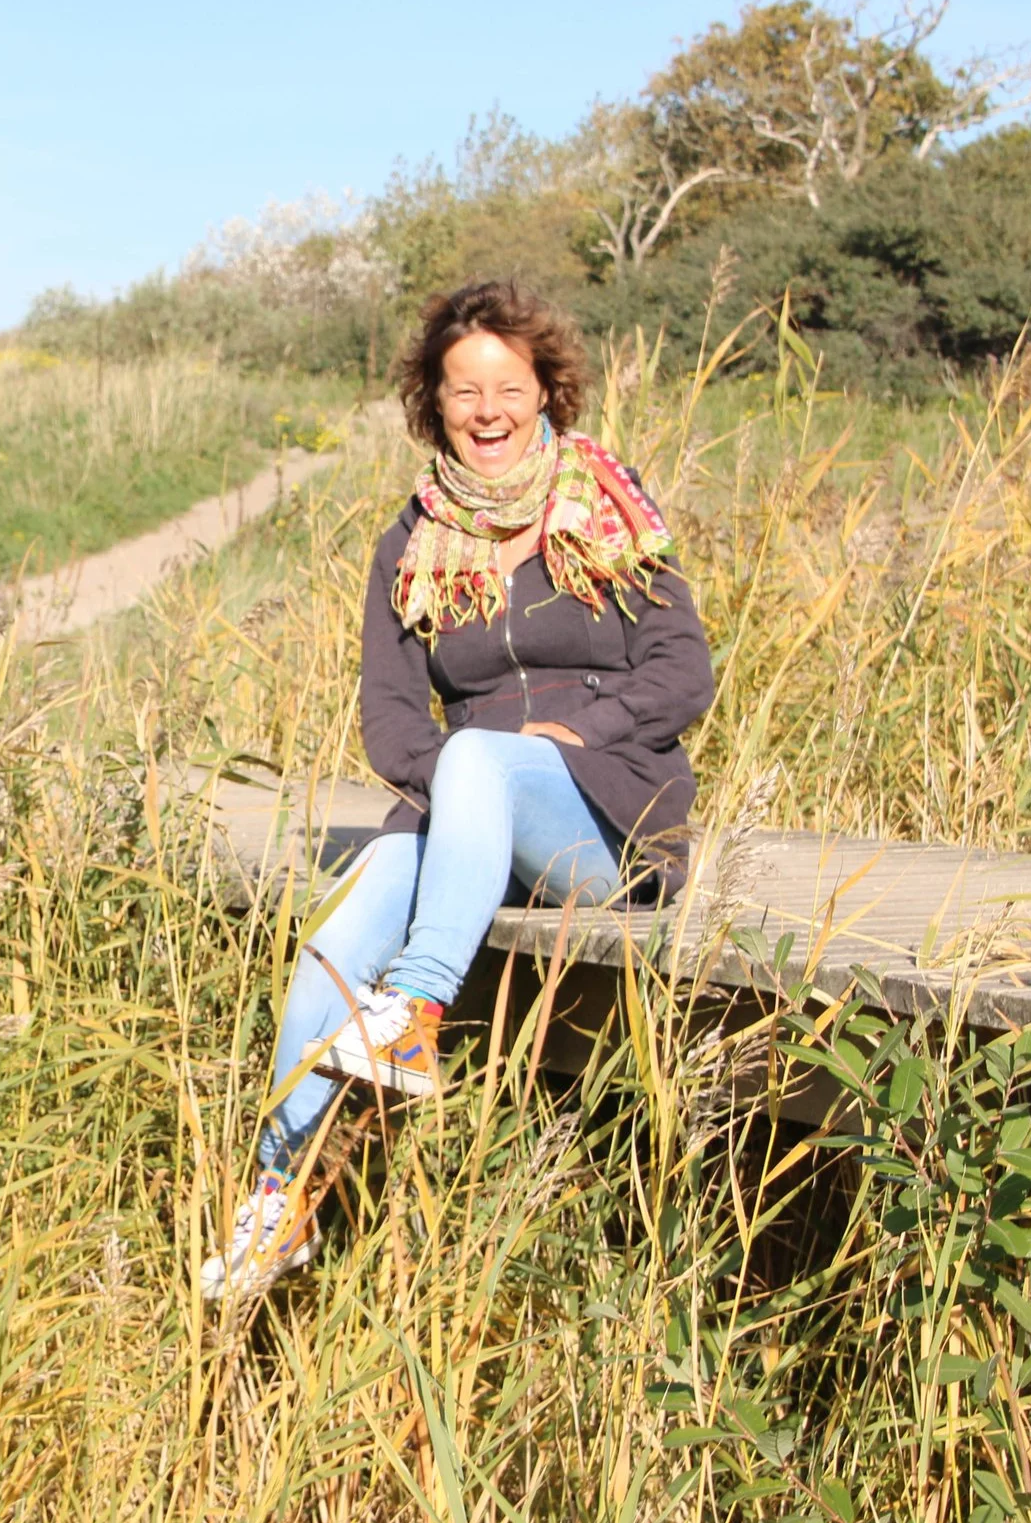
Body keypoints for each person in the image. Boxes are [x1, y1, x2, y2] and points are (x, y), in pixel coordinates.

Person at [199, 279, 715, 1302]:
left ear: (545, 392)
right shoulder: (409, 540)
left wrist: (578, 734)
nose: (487, 411)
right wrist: (468, 792)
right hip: (464, 815)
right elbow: (392, 723)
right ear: (432, 402)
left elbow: (682, 671)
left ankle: (419, 1007)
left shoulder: (606, 505)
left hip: (602, 817)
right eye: (462, 390)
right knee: (335, 935)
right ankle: (279, 1199)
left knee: (484, 750)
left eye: (508, 387)